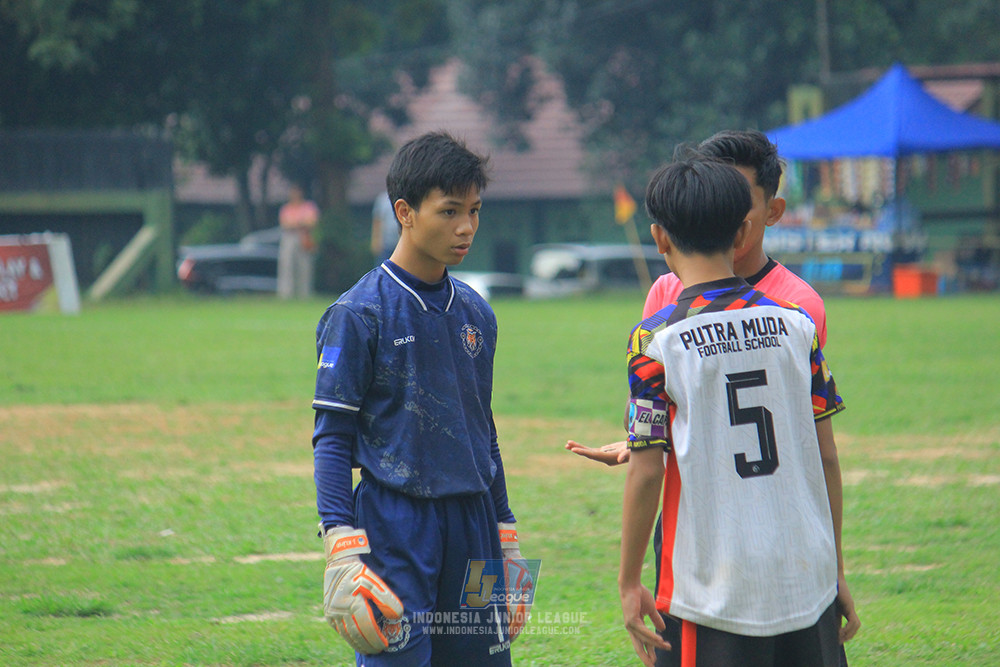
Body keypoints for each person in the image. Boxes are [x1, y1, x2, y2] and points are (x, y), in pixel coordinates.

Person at [568, 130, 858, 666]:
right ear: (741, 228)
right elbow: (827, 457)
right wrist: (834, 567)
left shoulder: (654, 341)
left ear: (659, 238)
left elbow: (649, 471)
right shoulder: (798, 326)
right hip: (806, 577)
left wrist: (629, 581)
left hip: (711, 585)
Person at [311, 131, 530, 666]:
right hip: (395, 527)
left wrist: (506, 535)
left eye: (474, 211)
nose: (466, 227)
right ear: (404, 212)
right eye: (449, 211)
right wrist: (340, 545)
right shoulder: (358, 314)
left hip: (476, 525)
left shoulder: (477, 313)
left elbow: (482, 429)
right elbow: (332, 438)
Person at [277, 183, 319, 299]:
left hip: (304, 236)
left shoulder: (309, 206)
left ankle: (304, 293)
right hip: (289, 237)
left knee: (304, 266)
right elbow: (285, 224)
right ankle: (286, 293)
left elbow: (311, 222)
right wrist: (300, 222)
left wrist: (296, 223)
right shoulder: (286, 208)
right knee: (287, 265)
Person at [371, 190, 400, 264]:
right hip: (385, 245)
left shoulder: (403, 198)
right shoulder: (382, 199)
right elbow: (377, 221)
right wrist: (376, 240)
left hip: (400, 244)